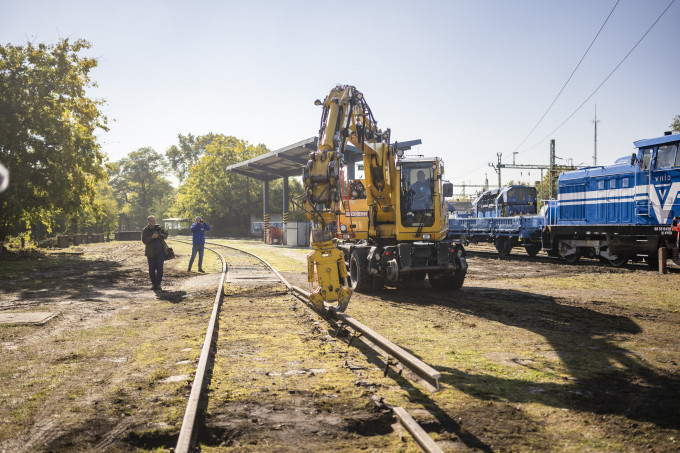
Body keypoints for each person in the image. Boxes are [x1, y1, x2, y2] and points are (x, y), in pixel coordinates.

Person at [142, 215, 168, 291]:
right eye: (151, 221)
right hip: (150, 253)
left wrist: (159, 235)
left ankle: (158, 284)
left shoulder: (159, 227)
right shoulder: (145, 230)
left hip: (160, 252)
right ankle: (153, 284)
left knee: (160, 269)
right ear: (148, 221)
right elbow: (144, 241)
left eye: (154, 220)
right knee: (151, 269)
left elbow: (166, 235)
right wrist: (152, 237)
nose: (153, 222)